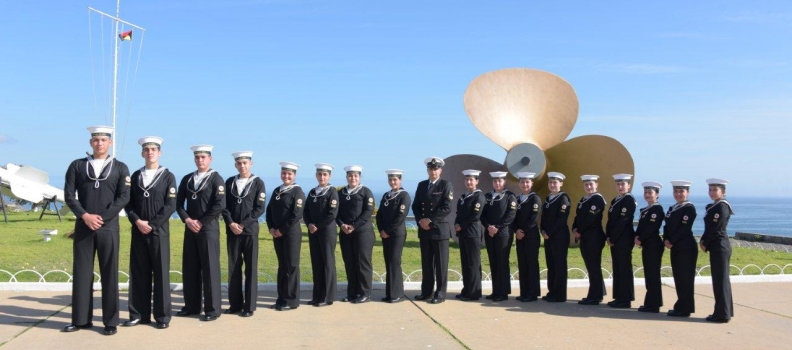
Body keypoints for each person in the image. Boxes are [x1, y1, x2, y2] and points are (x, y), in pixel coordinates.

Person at [63, 125, 131, 336]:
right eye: (96, 140)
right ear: (90, 142)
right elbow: (69, 195)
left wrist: (102, 218)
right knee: (82, 274)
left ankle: (111, 321)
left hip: (108, 228)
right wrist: (85, 216)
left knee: (109, 273)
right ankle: (81, 320)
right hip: (83, 227)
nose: (99, 143)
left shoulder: (120, 167)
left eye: (103, 140)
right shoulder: (77, 165)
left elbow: (124, 197)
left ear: (110, 143)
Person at [123, 136, 176, 329]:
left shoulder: (168, 176)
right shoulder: (136, 176)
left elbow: (170, 205)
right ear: (142, 153)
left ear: (159, 152)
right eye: (147, 150)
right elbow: (128, 203)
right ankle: (138, 314)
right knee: (138, 273)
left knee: (161, 274)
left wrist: (152, 225)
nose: (150, 152)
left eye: (154, 149)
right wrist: (137, 220)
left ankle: (162, 317)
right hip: (138, 231)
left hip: (158, 232)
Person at [176, 145, 225, 321]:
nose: (200, 160)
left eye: (203, 157)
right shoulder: (188, 179)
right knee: (190, 268)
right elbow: (178, 203)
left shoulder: (216, 179)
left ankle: (212, 310)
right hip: (190, 228)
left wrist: (201, 222)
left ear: (210, 159)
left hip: (208, 229)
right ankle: (191, 306)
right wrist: (188, 220)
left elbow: (219, 205)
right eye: (197, 157)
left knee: (210, 269)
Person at [221, 151, 265, 317]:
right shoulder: (230, 182)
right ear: (235, 165)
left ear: (251, 164)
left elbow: (259, 208)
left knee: (250, 268)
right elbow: (224, 206)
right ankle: (235, 304)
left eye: (245, 163)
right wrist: (231, 223)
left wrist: (242, 224)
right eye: (239, 163)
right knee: (233, 268)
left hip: (249, 232)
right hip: (232, 231)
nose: (242, 166)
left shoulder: (258, 182)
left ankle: (249, 306)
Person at [412, 157, 454, 304]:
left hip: (439, 230)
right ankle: (426, 292)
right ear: (427, 170)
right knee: (427, 263)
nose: (433, 171)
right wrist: (420, 221)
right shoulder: (422, 185)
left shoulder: (445, 185)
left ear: (440, 170)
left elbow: (446, 207)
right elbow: (416, 205)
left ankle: (440, 294)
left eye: (435, 169)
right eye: (430, 169)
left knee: (441, 265)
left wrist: (430, 220)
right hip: (424, 231)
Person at [265, 162, 305, 311]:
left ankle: (291, 300)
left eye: (289, 174)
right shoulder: (277, 190)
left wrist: (282, 229)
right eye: (284, 173)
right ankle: (281, 298)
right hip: (277, 234)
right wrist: (271, 228)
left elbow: (296, 215)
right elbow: (269, 210)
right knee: (282, 267)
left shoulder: (297, 192)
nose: (286, 176)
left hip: (291, 234)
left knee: (291, 267)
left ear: (294, 175)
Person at [337, 165, 376, 304]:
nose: (353, 178)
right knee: (350, 263)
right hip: (345, 233)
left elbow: (368, 211)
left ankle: (365, 293)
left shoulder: (366, 192)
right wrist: (342, 225)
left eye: (355, 176)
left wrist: (354, 226)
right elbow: (336, 213)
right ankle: (352, 293)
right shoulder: (341, 193)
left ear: (359, 177)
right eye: (350, 175)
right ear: (347, 177)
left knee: (362, 263)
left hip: (362, 233)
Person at [303, 163, 339, 307]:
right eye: (319, 174)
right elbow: (305, 212)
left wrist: (317, 226)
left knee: (327, 263)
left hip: (326, 232)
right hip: (313, 231)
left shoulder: (332, 192)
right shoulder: (312, 192)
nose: (322, 177)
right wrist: (309, 224)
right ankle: (317, 295)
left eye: (325, 174)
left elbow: (332, 214)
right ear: (316, 175)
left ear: (329, 176)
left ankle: (327, 297)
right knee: (316, 264)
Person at [700, 178, 734, 323]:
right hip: (717, 246)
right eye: (710, 190)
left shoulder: (721, 207)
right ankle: (724, 312)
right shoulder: (714, 206)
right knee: (721, 281)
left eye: (715, 190)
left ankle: (722, 314)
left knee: (720, 281)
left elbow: (717, 229)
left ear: (723, 192)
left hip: (720, 247)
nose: (712, 192)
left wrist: (704, 242)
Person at [376, 169, 412, 303]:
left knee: (395, 262)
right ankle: (390, 293)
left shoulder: (404, 196)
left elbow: (400, 217)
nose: (393, 182)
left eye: (395, 179)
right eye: (390, 179)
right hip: (385, 234)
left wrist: (387, 231)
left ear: (400, 180)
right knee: (388, 262)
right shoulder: (387, 195)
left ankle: (398, 294)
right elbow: (379, 214)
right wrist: (381, 230)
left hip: (397, 234)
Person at [481, 171, 517, 302]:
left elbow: (510, 216)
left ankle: (503, 292)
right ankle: (495, 290)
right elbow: (482, 215)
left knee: (502, 262)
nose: (497, 183)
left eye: (500, 181)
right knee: (493, 262)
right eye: (495, 181)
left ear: (504, 182)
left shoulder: (510, 196)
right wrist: (488, 227)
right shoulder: (488, 196)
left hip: (503, 234)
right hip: (490, 233)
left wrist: (497, 228)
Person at [664, 180, 698, 317]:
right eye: (676, 191)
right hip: (675, 247)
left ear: (687, 192)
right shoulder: (673, 208)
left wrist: (671, 241)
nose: (678, 194)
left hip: (686, 247)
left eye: (681, 191)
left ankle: (685, 308)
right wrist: (665, 239)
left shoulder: (689, 208)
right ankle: (681, 306)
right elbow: (667, 226)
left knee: (685, 278)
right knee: (678, 277)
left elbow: (684, 229)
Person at [572, 175, 607, 306]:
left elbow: (590, 219)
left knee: (594, 266)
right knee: (591, 267)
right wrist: (574, 228)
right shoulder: (584, 199)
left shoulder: (597, 199)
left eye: (591, 184)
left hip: (594, 237)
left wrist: (579, 230)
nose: (588, 187)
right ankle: (597, 293)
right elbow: (578, 217)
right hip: (585, 237)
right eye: (586, 185)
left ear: (596, 185)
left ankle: (594, 296)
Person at [454, 170, 486, 301]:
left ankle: (474, 292)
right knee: (465, 263)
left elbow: (475, 216)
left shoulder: (479, 197)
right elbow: (458, 214)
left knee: (473, 264)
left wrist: (461, 225)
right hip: (463, 234)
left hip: (473, 234)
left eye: (471, 179)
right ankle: (466, 290)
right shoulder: (463, 196)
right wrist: (456, 224)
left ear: (477, 181)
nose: (469, 182)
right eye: (467, 179)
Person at [606, 174, 637, 308]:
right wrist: (608, 236)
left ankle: (625, 299)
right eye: (618, 184)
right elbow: (611, 221)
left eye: (623, 184)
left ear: (628, 186)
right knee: (617, 268)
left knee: (624, 269)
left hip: (623, 239)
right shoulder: (616, 200)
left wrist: (612, 237)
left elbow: (623, 222)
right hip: (615, 239)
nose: (620, 186)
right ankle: (618, 296)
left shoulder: (628, 200)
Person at [634, 181, 665, 313]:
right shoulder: (647, 210)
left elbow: (651, 228)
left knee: (653, 275)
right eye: (645, 192)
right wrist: (636, 236)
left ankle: (654, 304)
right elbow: (641, 227)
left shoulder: (656, 209)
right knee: (649, 274)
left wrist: (640, 238)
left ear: (657, 194)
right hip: (647, 245)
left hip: (653, 245)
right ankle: (650, 302)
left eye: (650, 192)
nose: (647, 194)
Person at [541, 172, 570, 303]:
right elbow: (543, 217)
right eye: (550, 182)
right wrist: (542, 230)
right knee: (551, 265)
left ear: (561, 183)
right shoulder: (549, 198)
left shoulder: (563, 198)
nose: (552, 185)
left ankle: (559, 294)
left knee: (559, 266)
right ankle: (552, 291)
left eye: (555, 182)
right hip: (548, 237)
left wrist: (549, 232)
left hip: (559, 237)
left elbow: (561, 219)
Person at [512, 172, 542, 302]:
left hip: (531, 236)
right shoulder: (517, 199)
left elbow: (534, 218)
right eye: (522, 182)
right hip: (519, 236)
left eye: (527, 182)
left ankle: (532, 293)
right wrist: (516, 230)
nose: (525, 184)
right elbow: (513, 217)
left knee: (531, 264)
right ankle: (524, 292)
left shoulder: (535, 198)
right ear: (519, 183)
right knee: (522, 264)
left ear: (532, 183)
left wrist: (522, 230)